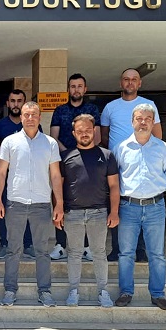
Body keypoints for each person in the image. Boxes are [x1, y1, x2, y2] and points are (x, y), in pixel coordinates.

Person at [0, 101, 63, 308]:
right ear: (21, 117)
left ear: (40, 117)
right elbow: (1, 172)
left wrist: (59, 203)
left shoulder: (50, 143)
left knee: (42, 251)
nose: (30, 118)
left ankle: (45, 291)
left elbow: (55, 175)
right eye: (27, 114)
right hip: (15, 203)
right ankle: (10, 290)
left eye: (34, 114)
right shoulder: (10, 141)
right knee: (13, 249)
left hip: (41, 204)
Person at [114, 103, 166, 310]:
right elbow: (114, 178)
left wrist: (154, 188)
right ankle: (126, 292)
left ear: (153, 123)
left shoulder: (163, 149)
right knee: (126, 253)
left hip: (155, 207)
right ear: (132, 121)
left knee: (156, 254)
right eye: (139, 118)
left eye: (148, 119)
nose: (143, 122)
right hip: (128, 207)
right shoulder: (121, 148)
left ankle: (158, 294)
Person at [101, 68, 162, 261]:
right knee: (117, 205)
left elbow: (158, 135)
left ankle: (140, 250)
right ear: (121, 83)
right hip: (117, 163)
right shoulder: (110, 107)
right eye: (126, 79)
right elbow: (104, 136)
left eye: (134, 79)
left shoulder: (149, 105)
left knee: (141, 204)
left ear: (139, 83)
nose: (130, 82)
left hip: (142, 162)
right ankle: (116, 248)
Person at [60, 114, 119, 308]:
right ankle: (73, 291)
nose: (84, 134)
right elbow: (58, 187)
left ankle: (103, 291)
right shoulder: (66, 157)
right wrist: (58, 209)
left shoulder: (107, 155)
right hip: (73, 213)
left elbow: (114, 186)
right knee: (74, 253)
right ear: (73, 133)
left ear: (94, 131)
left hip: (99, 212)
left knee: (99, 252)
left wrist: (114, 212)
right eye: (80, 131)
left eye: (87, 130)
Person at [49, 74, 102, 261]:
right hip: (63, 160)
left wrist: (82, 154)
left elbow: (97, 137)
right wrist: (68, 155)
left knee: (85, 201)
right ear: (68, 89)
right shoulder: (60, 110)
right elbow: (53, 137)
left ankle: (86, 247)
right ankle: (60, 245)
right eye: (73, 86)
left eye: (80, 86)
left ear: (85, 89)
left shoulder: (92, 110)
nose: (76, 89)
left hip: (88, 161)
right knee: (59, 199)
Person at [0, 89, 34, 260]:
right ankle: (4, 244)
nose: (16, 104)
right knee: (4, 211)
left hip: (28, 176)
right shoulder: (0, 126)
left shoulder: (32, 124)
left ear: (24, 103)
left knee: (29, 210)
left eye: (19, 101)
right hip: (7, 176)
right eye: (13, 101)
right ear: (8, 104)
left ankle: (28, 245)